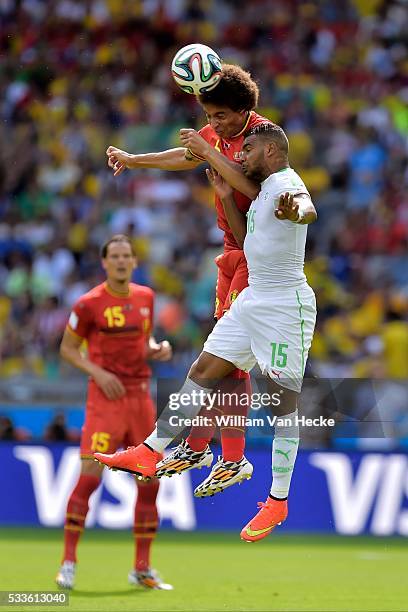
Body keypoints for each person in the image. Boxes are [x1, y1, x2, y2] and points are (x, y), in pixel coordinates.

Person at [96, 123, 317, 543]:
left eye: (247, 150)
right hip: (253, 299)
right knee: (204, 368)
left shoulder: (287, 184)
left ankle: (278, 499)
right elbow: (247, 237)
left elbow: (306, 208)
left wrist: (298, 212)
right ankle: (149, 452)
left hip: (287, 307)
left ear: (271, 151)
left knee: (283, 407)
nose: (240, 156)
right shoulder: (260, 189)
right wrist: (222, 197)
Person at [106, 63, 271, 497]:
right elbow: (189, 155)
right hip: (232, 252)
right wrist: (134, 158)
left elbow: (257, 192)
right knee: (224, 359)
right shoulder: (220, 132)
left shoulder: (265, 138)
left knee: (227, 359)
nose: (213, 125)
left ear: (241, 110)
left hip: (260, 254)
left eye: (219, 117)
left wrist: (208, 149)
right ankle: (204, 449)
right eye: (209, 117)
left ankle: (227, 456)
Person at [55, 234, 173, 589]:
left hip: (140, 398)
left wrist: (156, 349)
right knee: (89, 479)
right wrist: (99, 372)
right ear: (104, 263)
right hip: (105, 400)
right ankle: (68, 562)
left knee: (149, 484)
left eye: (127, 256)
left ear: (134, 262)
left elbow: (144, 340)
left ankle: (142, 568)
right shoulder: (88, 304)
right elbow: (68, 349)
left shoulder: (146, 297)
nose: (121, 261)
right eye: (115, 256)